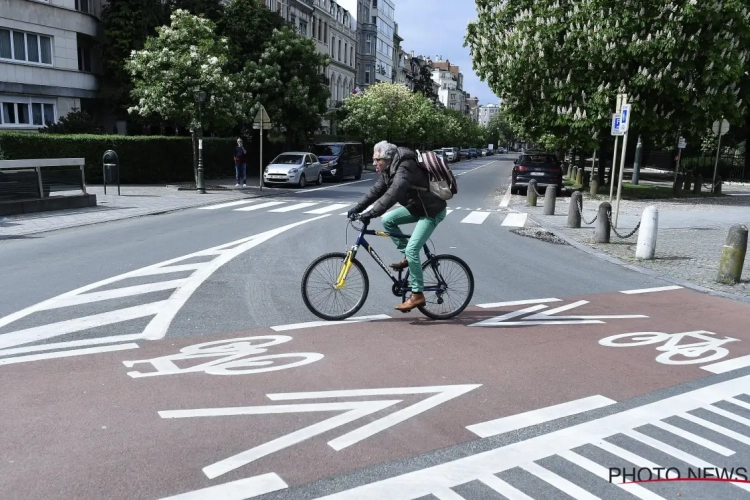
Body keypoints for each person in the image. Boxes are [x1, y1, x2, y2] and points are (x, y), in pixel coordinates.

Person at [347, 140, 447, 312]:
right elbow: (377, 191)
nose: (374, 163)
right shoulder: (389, 170)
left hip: (432, 211)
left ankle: (417, 295)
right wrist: (357, 208)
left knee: (412, 249)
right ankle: (408, 257)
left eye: (376, 160)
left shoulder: (405, 166)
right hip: (417, 207)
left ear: (387, 158)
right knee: (388, 220)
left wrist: (371, 213)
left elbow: (395, 193)